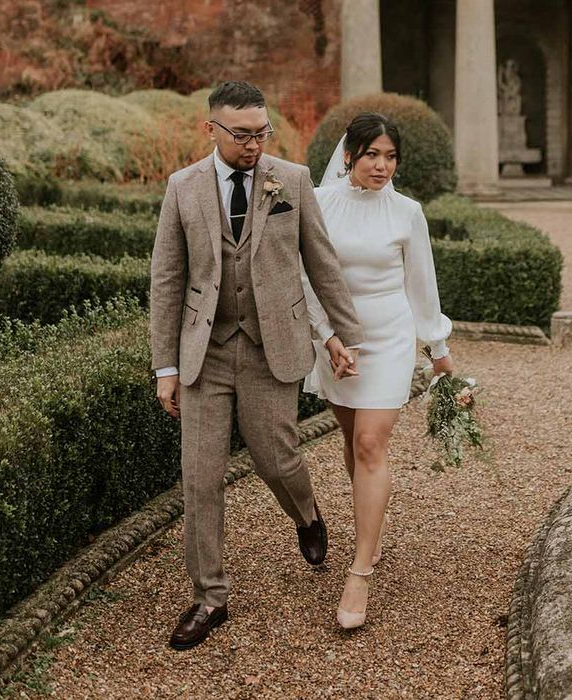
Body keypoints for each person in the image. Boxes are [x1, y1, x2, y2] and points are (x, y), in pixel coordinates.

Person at [150, 80, 363, 650]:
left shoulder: (290, 181)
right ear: (211, 129)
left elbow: (322, 262)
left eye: (261, 132)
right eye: (242, 134)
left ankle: (306, 512)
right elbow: (167, 280)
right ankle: (209, 596)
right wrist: (164, 366)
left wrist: (344, 333)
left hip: (273, 347)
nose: (253, 144)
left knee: (277, 456)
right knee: (200, 476)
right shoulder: (182, 187)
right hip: (206, 351)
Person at [302, 112, 454, 629]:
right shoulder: (318, 204)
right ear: (349, 155)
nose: (383, 165)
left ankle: (360, 571)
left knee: (370, 443)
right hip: (336, 338)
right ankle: (373, 524)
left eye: (391, 157)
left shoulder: (407, 212)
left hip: (389, 336)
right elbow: (306, 278)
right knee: (350, 438)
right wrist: (327, 338)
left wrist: (438, 347)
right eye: (373, 155)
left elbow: (421, 283)